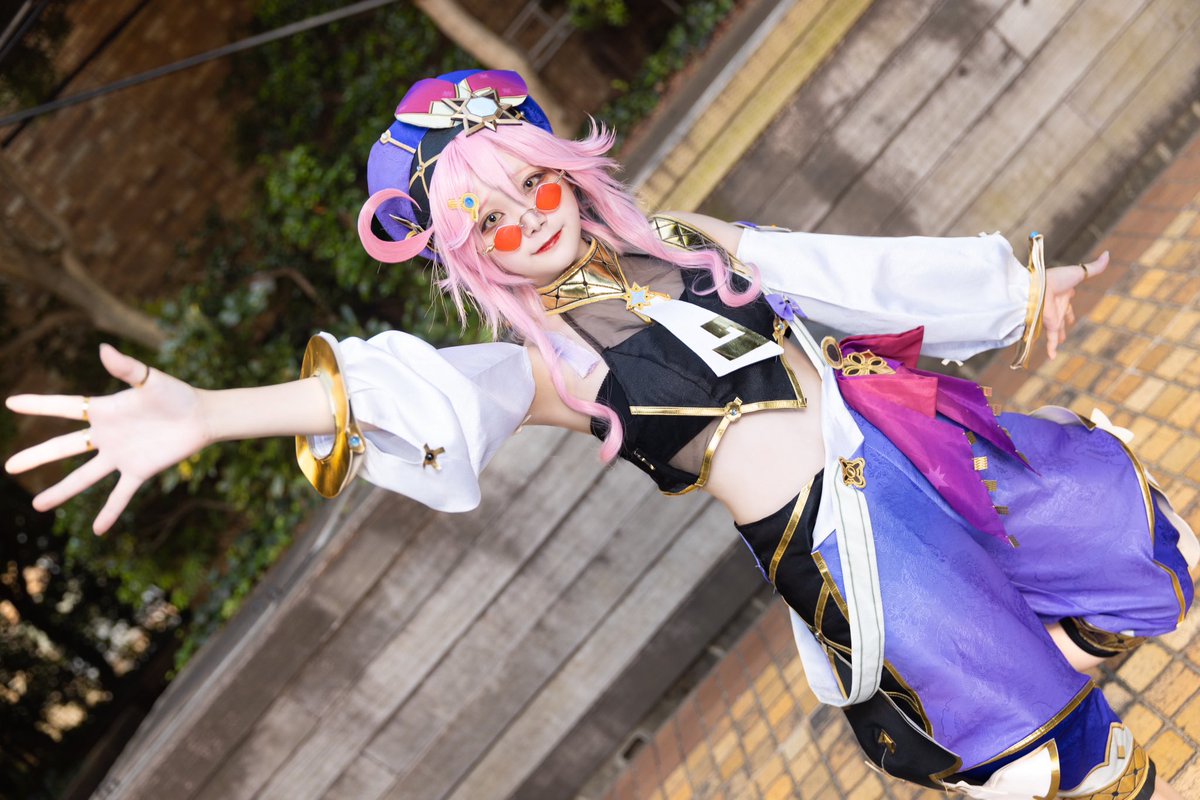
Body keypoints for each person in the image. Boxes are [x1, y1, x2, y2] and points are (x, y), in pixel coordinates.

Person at [5, 70, 1193, 800]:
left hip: (907, 436)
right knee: (1049, 761)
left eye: (532, 188)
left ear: (564, 171)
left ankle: (1060, 628)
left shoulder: (682, 241)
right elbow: (407, 393)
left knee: (1123, 528)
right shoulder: (557, 368)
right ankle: (1048, 680)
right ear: (469, 255)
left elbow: (837, 272)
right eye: (490, 222)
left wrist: (1015, 291)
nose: (528, 224)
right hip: (845, 545)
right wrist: (212, 411)